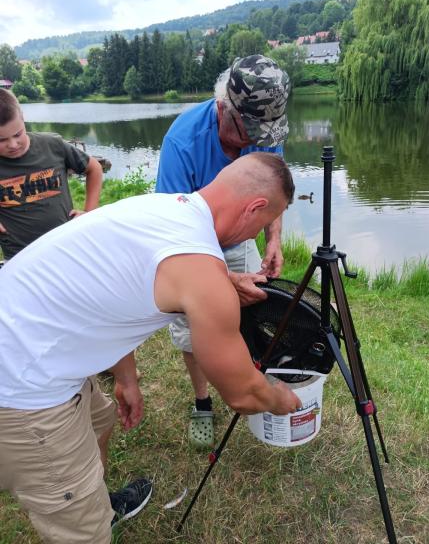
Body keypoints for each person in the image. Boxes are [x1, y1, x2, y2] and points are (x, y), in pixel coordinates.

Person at [0, 152, 300, 543]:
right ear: (255, 208)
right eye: (263, 225)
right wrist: (286, 402)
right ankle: (84, 517)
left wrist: (126, 378)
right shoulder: (199, 270)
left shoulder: (165, 207)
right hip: (22, 390)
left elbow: (108, 290)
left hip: (30, 342)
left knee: (99, 421)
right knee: (80, 532)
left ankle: (97, 502)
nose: (255, 235)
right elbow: (243, 393)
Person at [155, 54, 291, 448]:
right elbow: (173, 234)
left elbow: (272, 193)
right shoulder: (183, 142)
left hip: (238, 240)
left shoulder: (264, 129)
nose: (255, 141)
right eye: (248, 130)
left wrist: (273, 239)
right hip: (188, 250)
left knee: (245, 314)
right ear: (223, 108)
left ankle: (243, 379)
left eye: (264, 133)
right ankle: (202, 402)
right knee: (193, 332)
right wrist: (220, 280)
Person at [0, 88, 103, 262]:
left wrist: (89, 213)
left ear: (23, 118)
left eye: (18, 134)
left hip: (66, 246)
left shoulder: (52, 145)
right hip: (19, 258)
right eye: (1, 140)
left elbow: (94, 168)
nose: (13, 144)